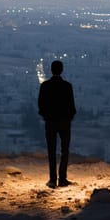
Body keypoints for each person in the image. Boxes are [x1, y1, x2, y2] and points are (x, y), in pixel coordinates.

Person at [38, 60, 76, 188]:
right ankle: (63, 178)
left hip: (50, 122)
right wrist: (69, 118)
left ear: (51, 70)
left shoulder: (45, 86)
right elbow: (72, 106)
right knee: (65, 150)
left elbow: (41, 105)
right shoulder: (67, 86)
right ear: (62, 70)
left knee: (51, 150)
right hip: (65, 122)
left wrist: (46, 117)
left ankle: (53, 179)